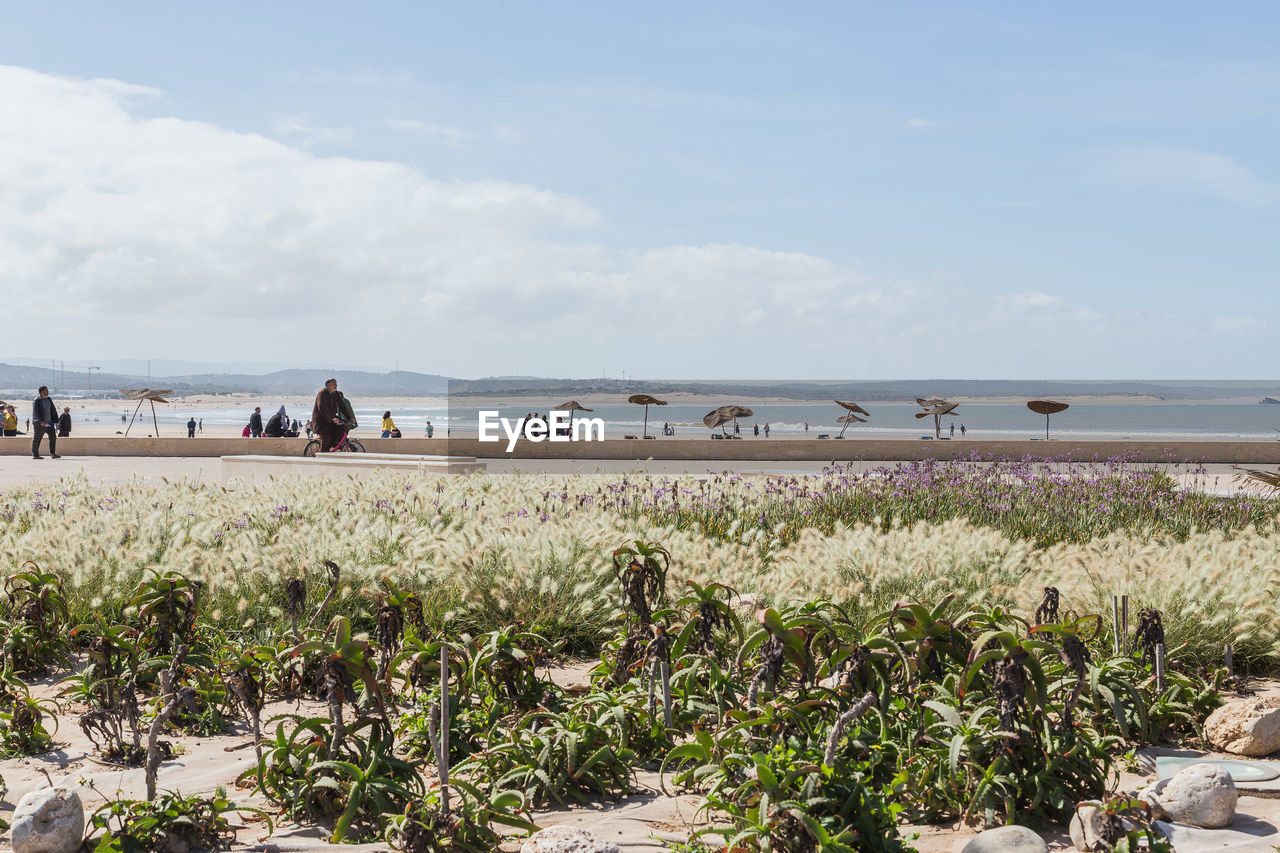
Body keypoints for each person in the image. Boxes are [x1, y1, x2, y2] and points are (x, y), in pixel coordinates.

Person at [311, 378, 355, 452]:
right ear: (328, 385)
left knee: (342, 428)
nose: (336, 385)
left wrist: (349, 418)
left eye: (336, 384)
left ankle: (332, 448)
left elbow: (342, 407)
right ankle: (322, 455)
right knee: (327, 438)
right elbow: (322, 408)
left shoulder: (336, 394)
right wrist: (332, 418)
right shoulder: (322, 393)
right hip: (320, 422)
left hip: (330, 421)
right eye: (334, 384)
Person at [31, 386, 60, 459]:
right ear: (41, 392)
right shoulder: (37, 400)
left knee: (53, 437)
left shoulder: (48, 399)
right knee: (37, 438)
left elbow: (53, 410)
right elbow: (36, 412)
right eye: (46, 391)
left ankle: (52, 454)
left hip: (49, 422)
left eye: (47, 390)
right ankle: (35, 455)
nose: (48, 392)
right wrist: (41, 421)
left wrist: (55, 420)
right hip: (39, 423)